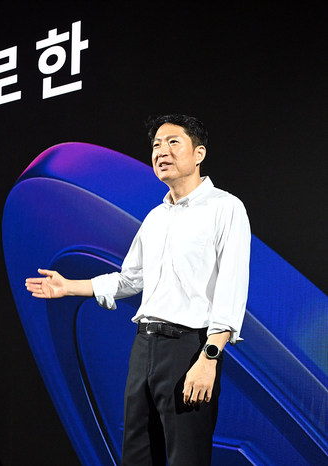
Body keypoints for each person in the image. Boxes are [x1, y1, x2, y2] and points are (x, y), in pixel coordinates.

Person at [25, 114, 250, 466]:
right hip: (144, 347)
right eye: (156, 145)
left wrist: (209, 358)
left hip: (189, 348)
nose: (161, 151)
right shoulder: (155, 217)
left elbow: (232, 287)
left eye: (173, 142)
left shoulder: (225, 208)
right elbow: (129, 279)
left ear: (199, 153)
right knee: (137, 455)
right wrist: (69, 287)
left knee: (186, 457)